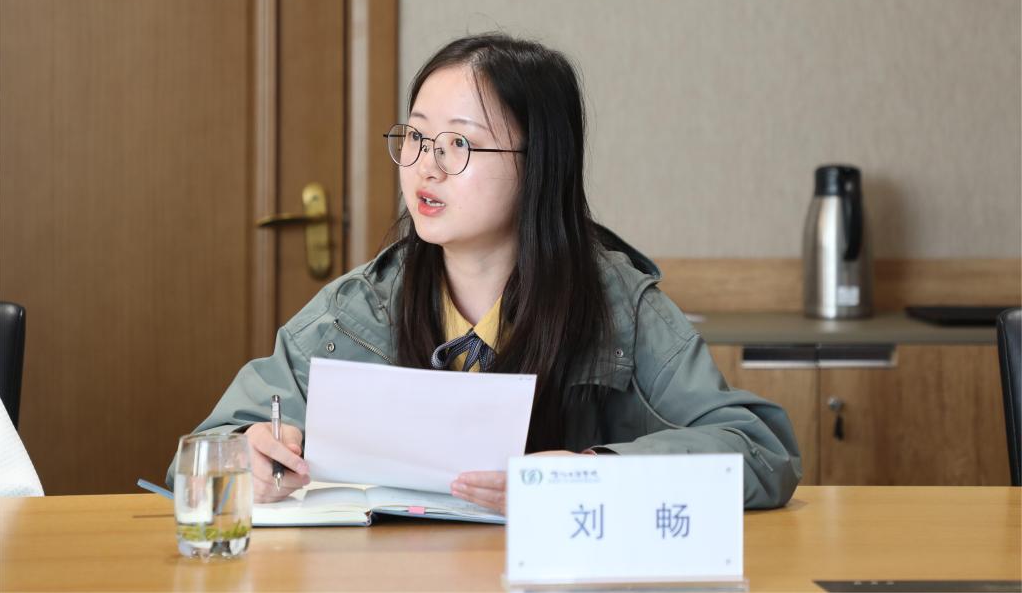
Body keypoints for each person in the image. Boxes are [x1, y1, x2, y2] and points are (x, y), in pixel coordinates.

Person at [170, 33, 801, 511]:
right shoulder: (359, 309)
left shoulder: (619, 306)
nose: (426, 167)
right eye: (416, 138)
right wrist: (246, 456)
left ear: (540, 163)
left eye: (459, 144)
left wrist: (593, 472)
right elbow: (199, 458)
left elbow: (759, 450)